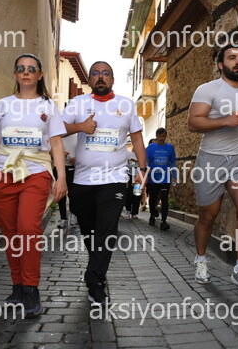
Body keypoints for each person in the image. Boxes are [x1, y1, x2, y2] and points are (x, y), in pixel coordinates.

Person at [0, 53, 68, 316]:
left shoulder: (48, 106)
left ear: (40, 75)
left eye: (32, 69)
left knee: (28, 229)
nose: (26, 72)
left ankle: (31, 289)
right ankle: (18, 287)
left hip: (35, 173)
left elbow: (56, 143)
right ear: (15, 74)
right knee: (11, 235)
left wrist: (61, 178)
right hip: (3, 173)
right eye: (21, 68)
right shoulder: (4, 105)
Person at [62, 61, 147, 305]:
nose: (101, 77)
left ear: (112, 79)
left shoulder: (125, 104)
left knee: (107, 230)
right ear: (90, 80)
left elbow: (137, 139)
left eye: (106, 73)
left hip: (115, 178)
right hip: (82, 180)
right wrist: (81, 127)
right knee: (90, 231)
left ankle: (96, 280)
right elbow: (57, 129)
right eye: (96, 73)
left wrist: (142, 170)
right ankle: (96, 266)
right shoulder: (78, 103)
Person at [187, 45, 238, 297]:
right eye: (231, 58)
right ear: (221, 65)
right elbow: (193, 123)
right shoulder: (207, 89)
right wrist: (225, 121)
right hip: (211, 159)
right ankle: (200, 260)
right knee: (208, 216)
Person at [146, 128, 177, 230]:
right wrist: (146, 168)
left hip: (165, 178)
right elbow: (145, 160)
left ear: (166, 136)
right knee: (153, 198)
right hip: (153, 178)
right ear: (156, 136)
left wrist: (174, 176)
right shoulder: (151, 147)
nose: (161, 138)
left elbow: (173, 162)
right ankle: (152, 215)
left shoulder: (170, 147)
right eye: (159, 136)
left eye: (163, 136)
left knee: (164, 199)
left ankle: (164, 221)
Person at [56, 133, 78, 229]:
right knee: (61, 195)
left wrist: (76, 159)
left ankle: (74, 215)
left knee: (73, 194)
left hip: (74, 168)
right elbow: (50, 150)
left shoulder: (77, 134)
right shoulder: (57, 135)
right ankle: (63, 218)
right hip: (59, 167)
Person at [122, 149, 142, 219]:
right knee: (129, 194)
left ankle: (135, 213)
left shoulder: (142, 155)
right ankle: (128, 210)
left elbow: (145, 165)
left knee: (137, 194)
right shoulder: (129, 155)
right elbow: (126, 166)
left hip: (139, 176)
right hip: (130, 176)